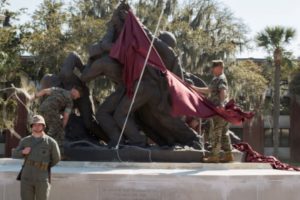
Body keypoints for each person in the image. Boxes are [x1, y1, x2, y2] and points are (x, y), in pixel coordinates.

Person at [192, 60, 233, 163]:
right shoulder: (217, 79)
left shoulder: (221, 79)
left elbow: (222, 91)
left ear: (219, 67)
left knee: (216, 132)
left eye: (214, 67)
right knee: (224, 133)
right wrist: (195, 89)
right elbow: (209, 90)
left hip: (219, 110)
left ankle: (215, 156)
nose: (212, 69)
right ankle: (229, 155)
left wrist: (222, 104)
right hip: (223, 110)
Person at [12, 115, 61, 200]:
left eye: (39, 124)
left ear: (43, 126)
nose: (37, 126)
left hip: (42, 178)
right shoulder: (25, 141)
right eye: (35, 124)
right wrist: (23, 152)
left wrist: (44, 166)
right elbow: (14, 154)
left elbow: (56, 158)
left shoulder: (51, 142)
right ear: (31, 126)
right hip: (27, 177)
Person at [31, 86, 82, 155]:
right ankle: (55, 152)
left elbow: (45, 91)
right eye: (78, 95)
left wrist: (34, 96)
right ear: (75, 91)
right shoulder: (70, 101)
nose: (77, 98)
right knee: (58, 131)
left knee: (45, 129)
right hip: (51, 111)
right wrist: (62, 127)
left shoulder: (59, 89)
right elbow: (66, 116)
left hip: (42, 109)